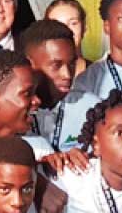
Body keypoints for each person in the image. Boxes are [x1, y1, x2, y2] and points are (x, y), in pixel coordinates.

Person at [20, 19, 100, 153]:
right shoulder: (13, 110)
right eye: (56, 65)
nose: (67, 74)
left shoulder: (93, 107)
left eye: (71, 64)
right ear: (30, 64)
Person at [44, 0, 89, 76]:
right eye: (57, 25)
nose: (66, 30)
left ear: (84, 27)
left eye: (73, 23)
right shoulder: (38, 79)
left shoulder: (101, 74)